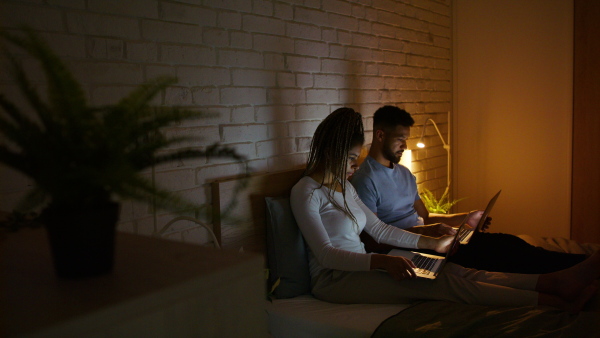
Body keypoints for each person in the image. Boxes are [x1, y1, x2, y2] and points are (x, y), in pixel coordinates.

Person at [290, 107, 599, 312]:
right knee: (443, 283)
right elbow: (327, 254)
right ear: (332, 152)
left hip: (369, 264)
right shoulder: (305, 191)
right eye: (351, 159)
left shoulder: (343, 187)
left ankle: (554, 282)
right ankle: (553, 303)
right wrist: (383, 262)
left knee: (456, 270)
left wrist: (433, 243)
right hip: (337, 279)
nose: (355, 166)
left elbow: (380, 229)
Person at [350, 105, 588, 274]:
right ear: (380, 135)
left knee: (508, 242)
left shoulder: (405, 174)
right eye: (400, 139)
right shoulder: (365, 180)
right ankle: (579, 267)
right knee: (498, 252)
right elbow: (372, 241)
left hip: (432, 240)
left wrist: (466, 217)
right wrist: (429, 234)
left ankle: (581, 263)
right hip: (409, 251)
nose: (405, 145)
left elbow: (427, 217)